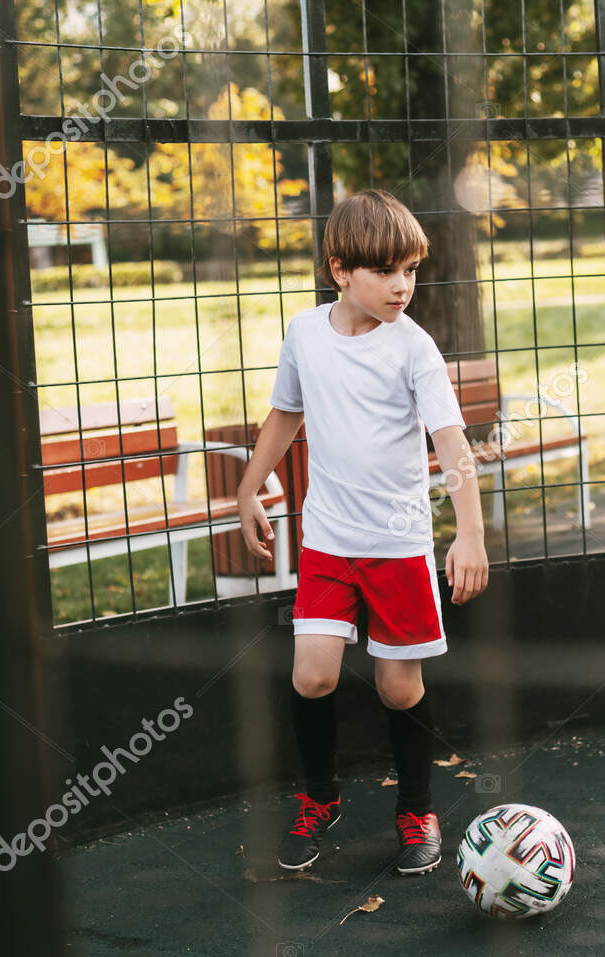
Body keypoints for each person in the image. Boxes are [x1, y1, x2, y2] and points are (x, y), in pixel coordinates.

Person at [235, 189, 490, 876]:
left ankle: (416, 809)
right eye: (386, 271)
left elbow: (452, 444)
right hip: (327, 541)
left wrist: (470, 535)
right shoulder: (304, 333)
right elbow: (284, 414)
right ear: (340, 270)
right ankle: (320, 799)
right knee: (312, 675)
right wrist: (248, 484)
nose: (403, 285)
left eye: (411, 269)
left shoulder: (415, 350)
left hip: (398, 545)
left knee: (398, 689)